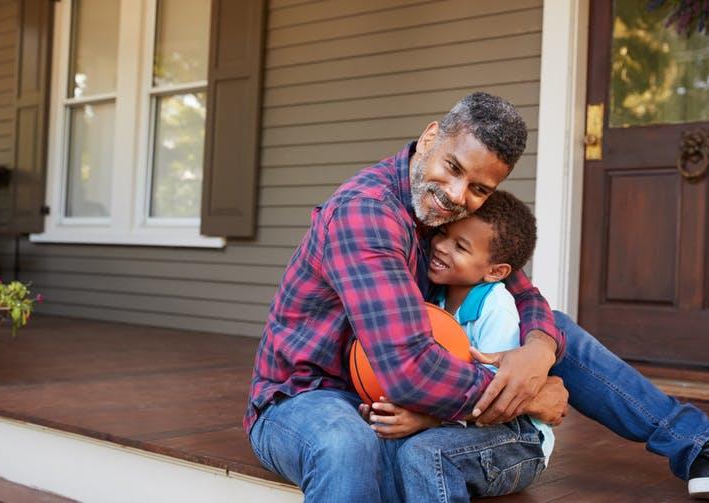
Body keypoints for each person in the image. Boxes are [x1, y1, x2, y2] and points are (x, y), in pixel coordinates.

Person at [246, 92, 709, 502]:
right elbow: (410, 371)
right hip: (308, 397)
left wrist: (538, 350)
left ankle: (696, 445)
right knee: (346, 443)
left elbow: (523, 295)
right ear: (430, 137)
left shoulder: (440, 212)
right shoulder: (367, 216)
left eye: (479, 188)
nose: (456, 195)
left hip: (387, 390)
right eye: (453, 168)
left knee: (555, 329)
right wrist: (528, 396)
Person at [361, 190, 556, 500]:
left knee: (426, 453)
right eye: (443, 233)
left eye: (460, 247)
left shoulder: (496, 309)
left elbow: (499, 397)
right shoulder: (435, 299)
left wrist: (430, 419)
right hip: (460, 425)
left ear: (495, 271)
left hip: (516, 437)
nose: (439, 246)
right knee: (382, 441)